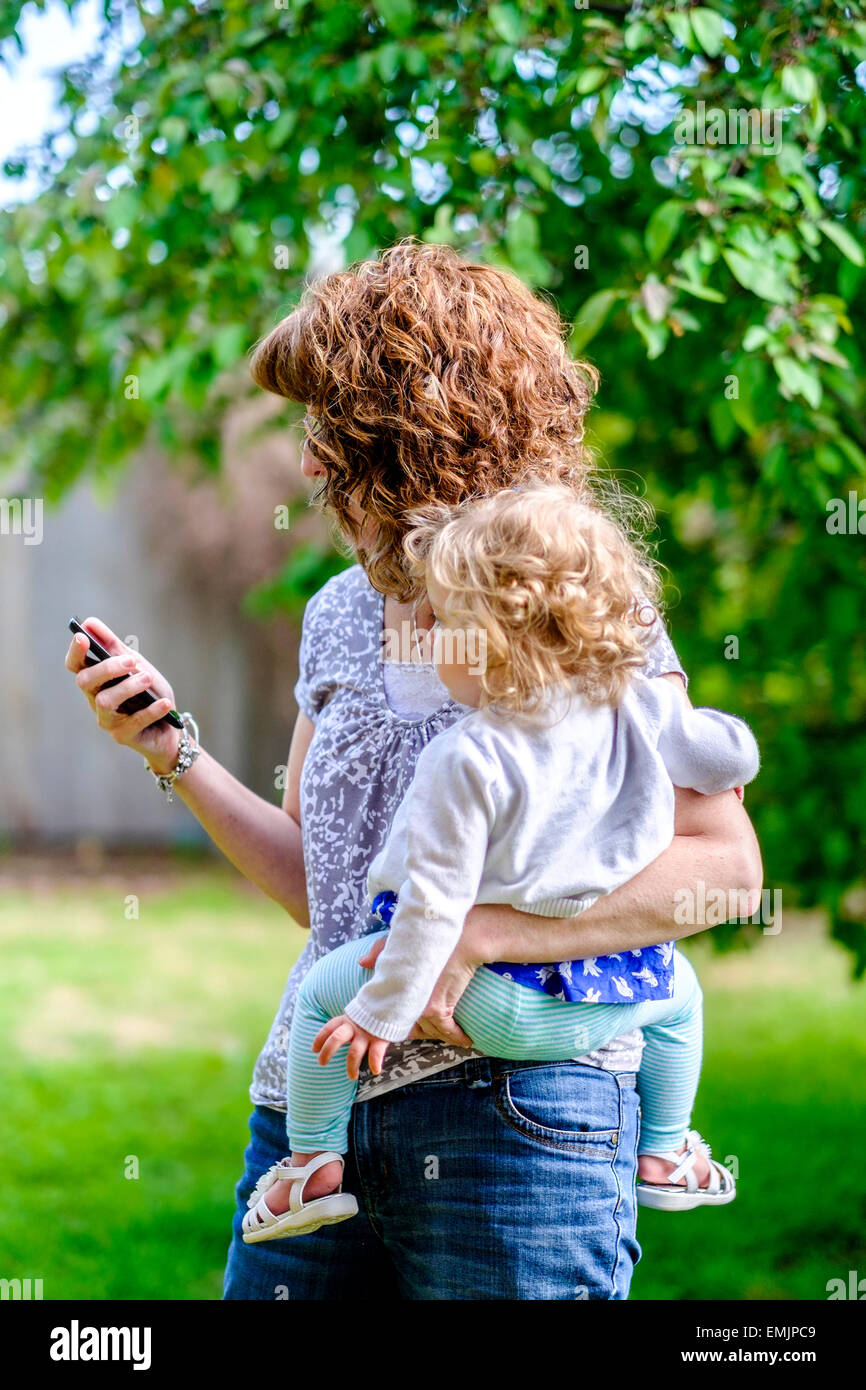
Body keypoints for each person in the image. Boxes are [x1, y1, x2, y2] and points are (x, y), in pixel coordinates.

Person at [65, 241, 762, 1299]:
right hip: (318, 1113)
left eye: (327, 430)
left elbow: (721, 868)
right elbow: (327, 889)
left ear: (413, 435)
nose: (307, 463)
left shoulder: (571, 602)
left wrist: (477, 938)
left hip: (521, 1121)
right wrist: (177, 753)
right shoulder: (338, 613)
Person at [239, 483, 757, 1242]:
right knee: (682, 1000)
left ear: (486, 640)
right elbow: (723, 749)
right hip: (597, 999)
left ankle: (311, 1167)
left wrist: (382, 1009)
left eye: (441, 622)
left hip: (486, 1004)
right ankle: (666, 1151)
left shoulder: (467, 756)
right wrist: (732, 760)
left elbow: (438, 904)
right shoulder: (636, 708)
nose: (425, 631)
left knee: (324, 994)